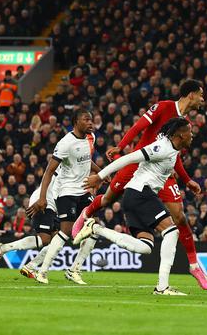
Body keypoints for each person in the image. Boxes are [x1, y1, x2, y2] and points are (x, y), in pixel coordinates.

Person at [71, 79, 207, 290]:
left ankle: (193, 265)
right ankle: (86, 215)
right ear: (191, 94)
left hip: (160, 172)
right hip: (139, 162)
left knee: (179, 216)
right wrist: (121, 146)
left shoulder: (182, 123)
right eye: (201, 95)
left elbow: (174, 154)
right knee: (108, 198)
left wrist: (187, 179)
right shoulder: (164, 107)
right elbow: (139, 125)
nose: (203, 99)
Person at [76, 118, 193, 295]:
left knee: (146, 246)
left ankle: (96, 229)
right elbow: (128, 159)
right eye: (190, 132)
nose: (192, 135)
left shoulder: (173, 150)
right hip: (140, 193)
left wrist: (188, 180)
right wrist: (99, 176)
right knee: (172, 231)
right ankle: (162, 287)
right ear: (181, 134)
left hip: (135, 197)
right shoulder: (161, 148)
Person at [0, 109, 100, 284]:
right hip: (50, 195)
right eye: (86, 119)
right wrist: (41, 199)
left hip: (68, 194)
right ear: (76, 122)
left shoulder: (90, 138)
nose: (91, 123)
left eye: (92, 119)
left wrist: (101, 173)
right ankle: (4, 249)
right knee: (48, 238)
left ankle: (34, 266)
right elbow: (48, 172)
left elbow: (85, 158)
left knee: (76, 230)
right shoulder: (65, 144)